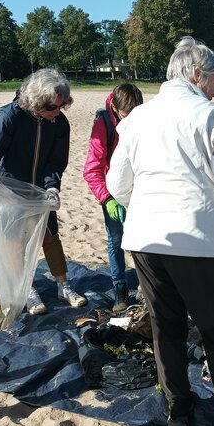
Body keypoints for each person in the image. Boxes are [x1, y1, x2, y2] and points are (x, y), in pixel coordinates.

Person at [106, 37, 214, 426]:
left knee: (164, 326)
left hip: (147, 239)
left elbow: (118, 183)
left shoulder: (136, 118)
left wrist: (149, 207)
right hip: (197, 237)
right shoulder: (211, 114)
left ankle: (178, 408)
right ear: (197, 75)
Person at [0, 68, 87, 315]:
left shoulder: (59, 122)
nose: (56, 113)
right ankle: (27, 289)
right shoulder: (9, 116)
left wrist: (51, 186)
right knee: (14, 240)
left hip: (40, 190)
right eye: (51, 107)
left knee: (50, 235)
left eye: (61, 107)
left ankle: (63, 285)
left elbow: (56, 161)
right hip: (10, 189)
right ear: (36, 101)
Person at [83, 83, 143, 314]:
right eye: (127, 115)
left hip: (140, 189)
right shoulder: (103, 124)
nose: (132, 120)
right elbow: (92, 169)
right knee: (115, 239)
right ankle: (120, 289)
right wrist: (107, 198)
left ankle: (146, 286)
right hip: (113, 194)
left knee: (143, 240)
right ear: (115, 109)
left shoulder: (143, 118)